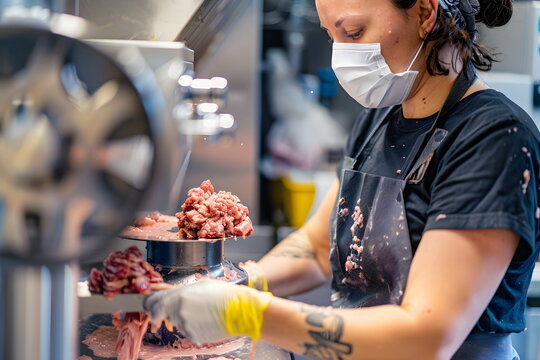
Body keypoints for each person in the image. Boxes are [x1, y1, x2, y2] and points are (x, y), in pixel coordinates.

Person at [145, 0, 540, 358]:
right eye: (331, 35)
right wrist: (239, 281)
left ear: (425, 13)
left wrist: (249, 313)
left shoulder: (492, 138)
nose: (342, 54)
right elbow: (318, 247)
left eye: (353, 33)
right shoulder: (380, 118)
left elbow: (427, 336)